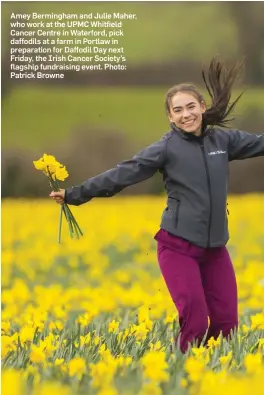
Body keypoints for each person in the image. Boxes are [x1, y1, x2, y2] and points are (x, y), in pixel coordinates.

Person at [50, 58, 264, 353]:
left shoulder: (223, 140)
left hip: (216, 250)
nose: (186, 114)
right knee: (196, 323)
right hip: (178, 249)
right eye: (178, 110)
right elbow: (123, 173)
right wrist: (76, 193)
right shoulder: (166, 148)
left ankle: (215, 379)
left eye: (191, 107)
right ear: (170, 117)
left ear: (202, 107)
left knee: (227, 325)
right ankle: (186, 371)